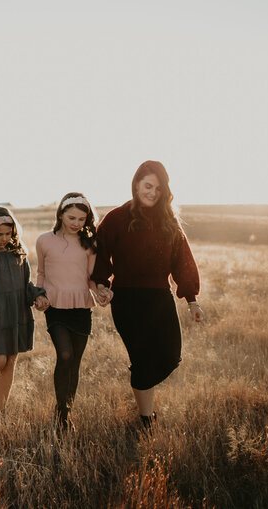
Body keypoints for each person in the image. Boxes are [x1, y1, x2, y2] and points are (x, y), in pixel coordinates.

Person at [91, 160, 203, 431]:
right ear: (136, 185)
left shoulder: (169, 222)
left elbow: (182, 261)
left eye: (158, 187)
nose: (152, 192)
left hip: (160, 299)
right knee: (141, 359)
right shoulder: (117, 218)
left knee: (170, 356)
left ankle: (140, 388)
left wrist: (192, 300)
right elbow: (99, 253)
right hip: (127, 300)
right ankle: (146, 419)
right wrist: (100, 285)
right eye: (147, 186)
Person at [35, 192, 109, 430]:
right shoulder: (44, 240)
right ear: (61, 214)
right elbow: (41, 273)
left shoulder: (89, 243)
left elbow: (90, 278)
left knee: (75, 362)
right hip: (55, 306)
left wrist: (100, 291)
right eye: (72, 217)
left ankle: (65, 414)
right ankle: (60, 408)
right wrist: (38, 295)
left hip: (81, 307)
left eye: (81, 219)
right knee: (64, 355)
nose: (77, 223)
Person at [0, 207, 46, 412]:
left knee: (11, 361)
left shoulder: (19, 253)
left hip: (19, 312)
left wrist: (38, 296)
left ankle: (1, 409)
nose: (4, 238)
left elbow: (27, 285)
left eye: (8, 234)